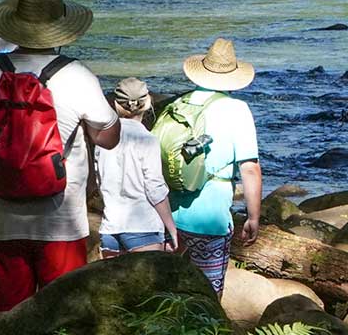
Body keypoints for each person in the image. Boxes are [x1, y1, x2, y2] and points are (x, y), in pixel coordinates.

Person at [0, 0, 121, 314]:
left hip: (0, 224)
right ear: (61, 28)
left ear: (16, 22)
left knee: (5, 316)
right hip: (61, 224)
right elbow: (109, 137)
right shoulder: (78, 76)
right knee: (62, 318)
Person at [167, 38, 262, 294]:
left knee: (166, 291)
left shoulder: (179, 103)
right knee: (207, 295)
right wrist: (253, 216)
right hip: (210, 219)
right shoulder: (237, 110)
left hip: (167, 213)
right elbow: (250, 168)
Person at [97, 77, 178, 255]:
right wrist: (171, 227)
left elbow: (98, 182)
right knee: (147, 283)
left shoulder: (101, 139)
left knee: (114, 283)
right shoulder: (148, 140)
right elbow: (154, 188)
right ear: (148, 103)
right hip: (144, 227)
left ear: (115, 104)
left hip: (110, 227)